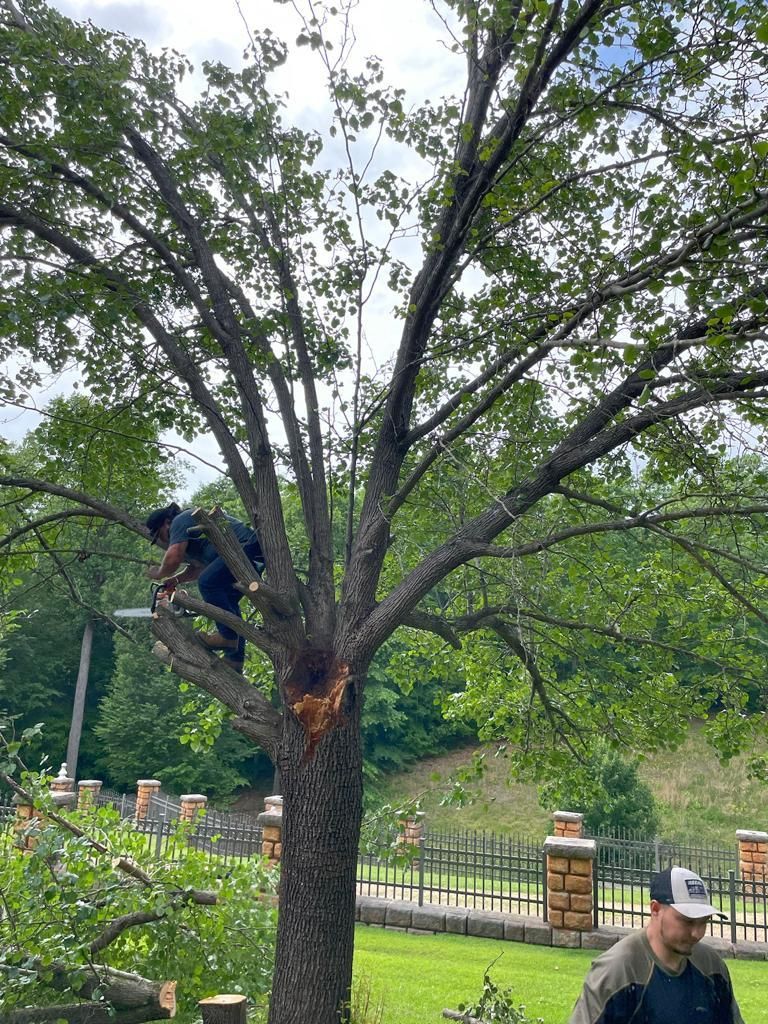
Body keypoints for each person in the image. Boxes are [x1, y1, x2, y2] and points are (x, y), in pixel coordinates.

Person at [569, 865, 744, 1024]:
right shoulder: (617, 971)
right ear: (655, 909)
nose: (697, 933)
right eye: (688, 921)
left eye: (704, 922)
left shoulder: (712, 967)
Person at [145, 502, 265, 668]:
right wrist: (176, 579)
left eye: (160, 535)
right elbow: (201, 568)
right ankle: (234, 660)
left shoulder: (180, 520)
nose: (162, 541)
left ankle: (228, 637)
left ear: (166, 523)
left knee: (208, 584)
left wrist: (158, 573)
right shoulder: (193, 538)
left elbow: (174, 558)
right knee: (227, 602)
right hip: (249, 555)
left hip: (245, 547)